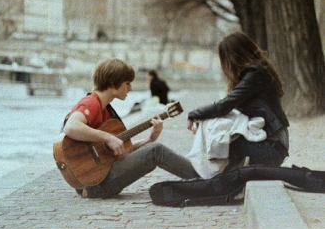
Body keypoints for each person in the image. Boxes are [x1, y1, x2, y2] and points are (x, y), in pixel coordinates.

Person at [63, 58, 199, 198]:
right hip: (97, 184)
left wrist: (150, 138)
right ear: (112, 83)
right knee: (156, 150)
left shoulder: (106, 110)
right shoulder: (91, 102)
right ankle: (203, 178)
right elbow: (71, 127)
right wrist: (108, 137)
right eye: (127, 83)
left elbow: (120, 148)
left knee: (153, 147)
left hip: (99, 177)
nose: (130, 88)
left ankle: (200, 177)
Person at [187, 31, 289, 168]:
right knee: (219, 135)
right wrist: (203, 125)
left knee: (220, 139)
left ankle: (212, 177)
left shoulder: (255, 74)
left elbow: (225, 106)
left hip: (272, 149)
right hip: (272, 145)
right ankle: (217, 176)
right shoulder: (256, 74)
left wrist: (194, 114)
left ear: (233, 57)